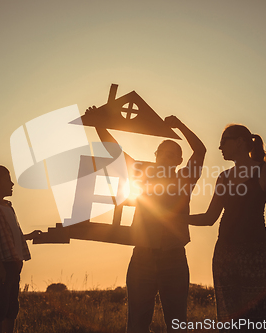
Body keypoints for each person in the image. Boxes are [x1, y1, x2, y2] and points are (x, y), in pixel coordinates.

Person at [86, 106, 206, 333]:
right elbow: (115, 152)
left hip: (174, 258)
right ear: (156, 157)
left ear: (179, 160)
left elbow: (200, 150)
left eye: (172, 155)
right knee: (137, 323)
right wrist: (98, 124)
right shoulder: (142, 172)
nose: (166, 158)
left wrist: (179, 125)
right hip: (142, 257)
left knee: (177, 323)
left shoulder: (185, 178)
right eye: (163, 153)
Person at [187, 124, 266, 332]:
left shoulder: (264, 171)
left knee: (256, 318)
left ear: (240, 142)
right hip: (224, 255)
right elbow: (210, 217)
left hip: (256, 253)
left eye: (224, 141)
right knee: (229, 320)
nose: (220, 147)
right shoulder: (223, 177)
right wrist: (179, 219)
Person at [0, 165, 41, 333]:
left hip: (14, 263)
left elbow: (11, 236)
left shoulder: (9, 208)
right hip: (3, 266)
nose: (12, 184)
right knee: (1, 305)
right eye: (8, 180)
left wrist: (28, 236)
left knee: (12, 306)